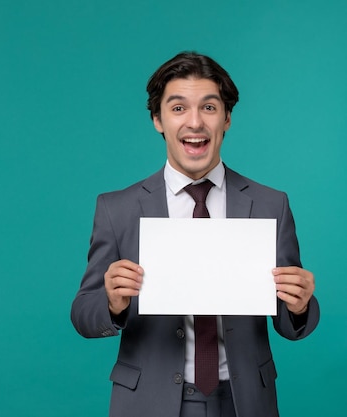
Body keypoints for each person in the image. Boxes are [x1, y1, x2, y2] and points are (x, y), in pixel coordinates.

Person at [70, 52, 320, 417]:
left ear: (227, 119)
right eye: (177, 108)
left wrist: (299, 306)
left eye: (209, 107)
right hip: (149, 401)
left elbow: (290, 320)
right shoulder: (117, 209)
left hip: (244, 400)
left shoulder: (271, 205)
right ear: (157, 120)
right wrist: (111, 303)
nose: (194, 122)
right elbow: (82, 313)